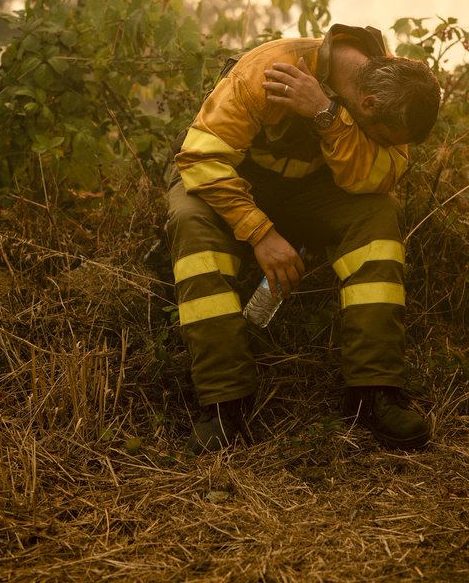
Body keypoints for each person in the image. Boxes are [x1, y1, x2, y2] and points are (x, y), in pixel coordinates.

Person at [166, 23, 441, 452]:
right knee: (191, 221)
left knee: (379, 214)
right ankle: (224, 401)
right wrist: (261, 233)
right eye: (390, 138)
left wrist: (326, 116)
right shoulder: (269, 69)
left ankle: (373, 392)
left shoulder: (394, 91)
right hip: (229, 179)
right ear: (367, 104)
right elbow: (202, 159)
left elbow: (376, 178)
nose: (396, 147)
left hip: (307, 191)